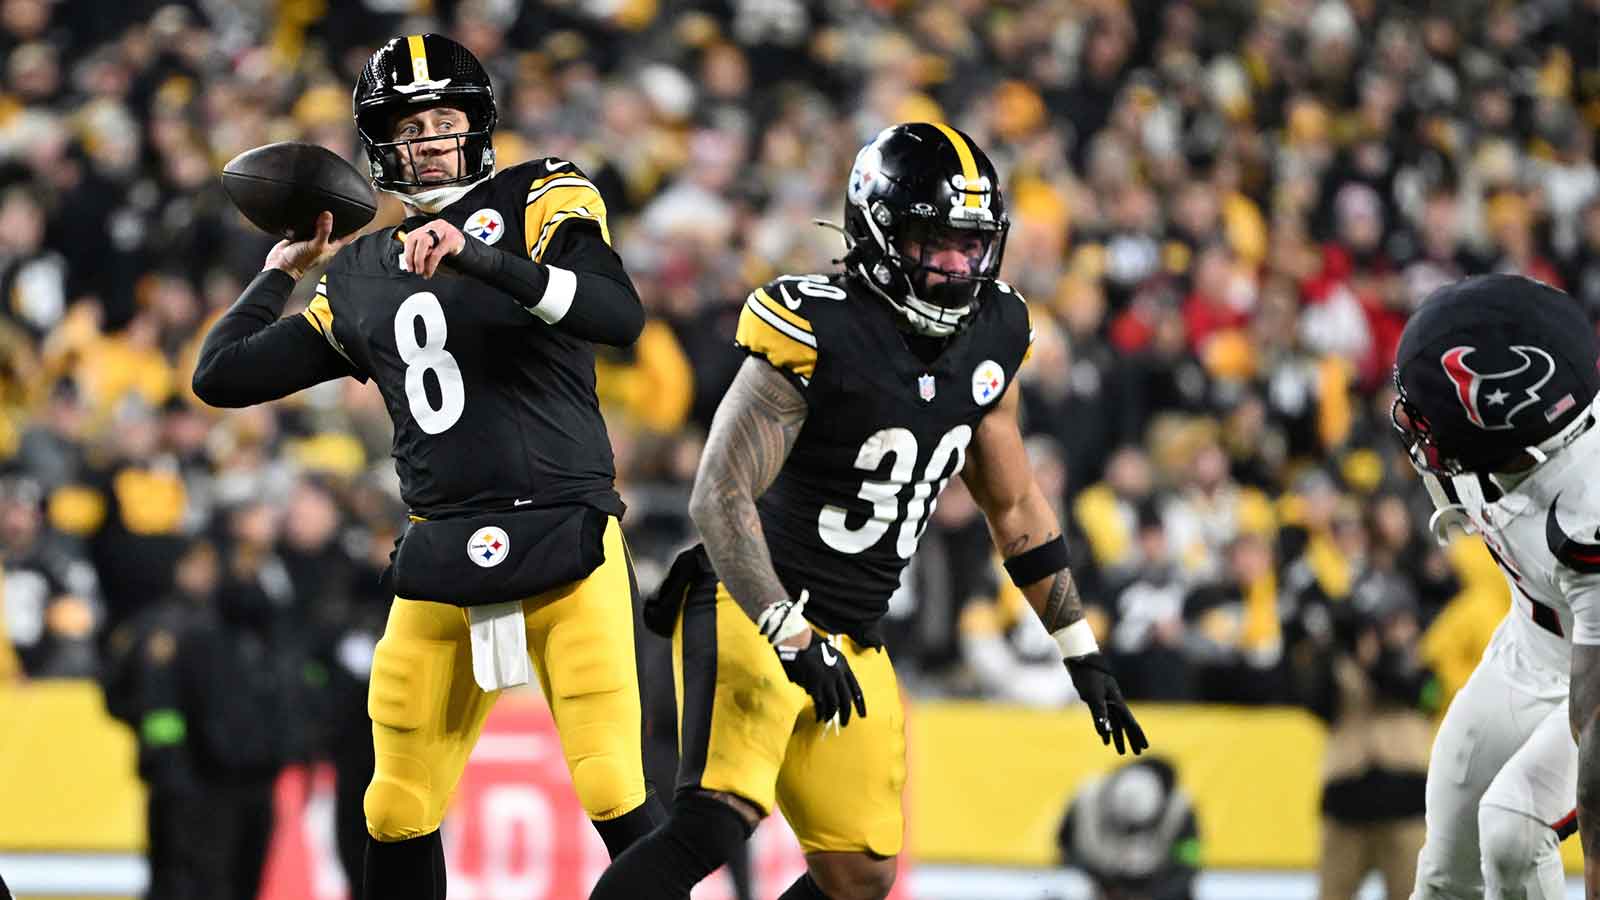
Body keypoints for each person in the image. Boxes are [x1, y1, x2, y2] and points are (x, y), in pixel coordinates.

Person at [591, 122, 1147, 900]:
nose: (958, 267)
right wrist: (787, 629)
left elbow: (1015, 502)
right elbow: (718, 496)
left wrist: (1079, 646)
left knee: (860, 873)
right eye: (936, 243)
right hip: (755, 599)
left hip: (855, 624)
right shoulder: (818, 327)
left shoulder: (994, 333)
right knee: (713, 820)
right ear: (880, 232)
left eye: (972, 246)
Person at [190, 33, 662, 900]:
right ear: (379, 144)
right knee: (395, 804)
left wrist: (476, 254)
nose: (432, 140)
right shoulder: (361, 268)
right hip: (440, 547)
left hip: (565, 533)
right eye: (411, 126)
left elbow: (616, 316)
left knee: (613, 785)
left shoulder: (540, 191)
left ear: (479, 125)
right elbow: (220, 376)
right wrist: (278, 273)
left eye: (447, 119)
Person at [1390, 274, 1600, 898]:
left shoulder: (1585, 506)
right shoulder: (1514, 443)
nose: (1410, 423)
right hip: (1529, 649)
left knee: (1511, 829)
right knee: (1442, 873)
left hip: (1589, 668)